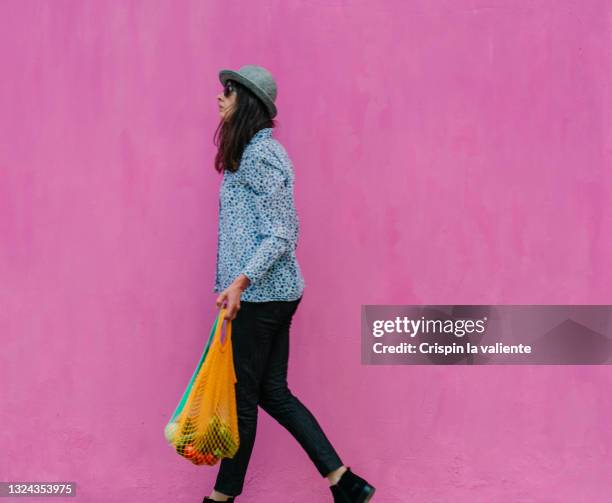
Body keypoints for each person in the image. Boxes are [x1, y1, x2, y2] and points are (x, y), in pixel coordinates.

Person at [203, 65, 376, 503]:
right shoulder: (253, 152)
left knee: (245, 401)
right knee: (273, 392)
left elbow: (281, 231)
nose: (220, 98)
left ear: (248, 102)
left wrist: (240, 282)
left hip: (261, 297)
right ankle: (344, 482)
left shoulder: (260, 157)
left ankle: (221, 499)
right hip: (271, 293)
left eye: (229, 92)